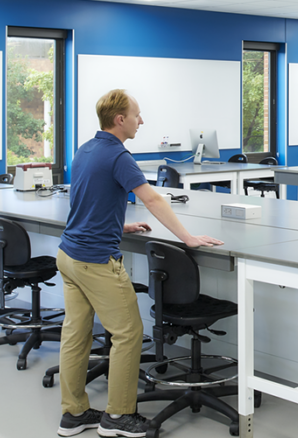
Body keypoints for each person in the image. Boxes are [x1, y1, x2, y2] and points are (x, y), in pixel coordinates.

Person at [57, 89, 225, 438]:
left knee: (75, 336)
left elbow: (86, 203)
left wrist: (119, 225)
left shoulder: (85, 150)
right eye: (137, 115)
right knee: (129, 334)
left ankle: (73, 414)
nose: (141, 121)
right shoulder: (119, 156)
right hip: (95, 262)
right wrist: (188, 237)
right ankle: (117, 417)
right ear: (120, 119)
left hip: (69, 256)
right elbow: (152, 198)